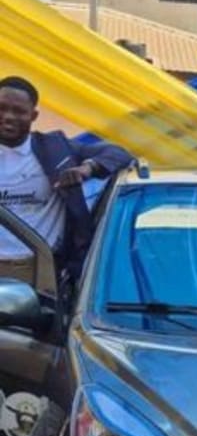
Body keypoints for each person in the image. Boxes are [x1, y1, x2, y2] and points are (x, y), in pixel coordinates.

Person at [0, 76, 132, 290]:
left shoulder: (56, 150)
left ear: (33, 116)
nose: (8, 117)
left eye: (18, 111)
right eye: (2, 108)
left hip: (37, 272)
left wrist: (87, 169)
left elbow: (119, 154)